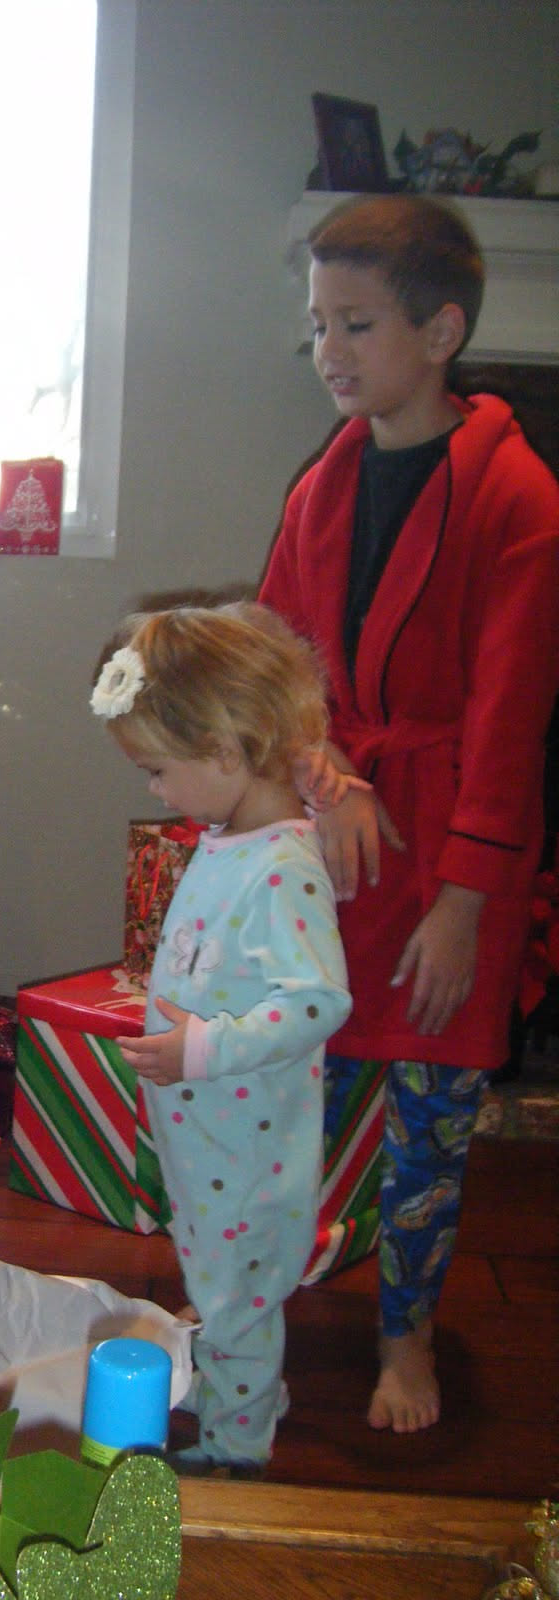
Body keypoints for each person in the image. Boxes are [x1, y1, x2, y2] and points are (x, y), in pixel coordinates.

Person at [259, 192, 559, 1435]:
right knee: (293, 1095)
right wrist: (324, 773)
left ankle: (409, 1333)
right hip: (339, 841)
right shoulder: (322, 486)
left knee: (429, 1118)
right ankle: (259, 1296)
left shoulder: (518, 498)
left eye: (357, 324)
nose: (328, 351)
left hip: (448, 860)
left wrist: (462, 907)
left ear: (440, 333)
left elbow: (511, 718)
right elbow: (280, 664)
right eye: (317, 324)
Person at [90, 601, 352, 1476]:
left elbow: (316, 1001)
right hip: (211, 1133)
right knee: (219, 1280)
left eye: (159, 771)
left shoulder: (281, 865)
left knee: (238, 1295)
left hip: (248, 1144)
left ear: (227, 754)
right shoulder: (230, 838)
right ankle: (248, 1389)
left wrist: (201, 1048)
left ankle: (239, 1454)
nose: (155, 791)